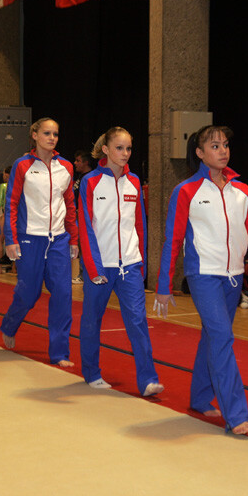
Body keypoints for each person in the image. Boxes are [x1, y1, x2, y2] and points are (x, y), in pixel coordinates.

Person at [155, 125, 248, 435]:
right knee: (222, 337)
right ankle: (235, 414)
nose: (223, 150)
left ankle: (200, 397)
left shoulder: (242, 191)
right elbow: (173, 239)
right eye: (215, 146)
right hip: (203, 275)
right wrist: (163, 285)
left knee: (213, 337)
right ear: (200, 153)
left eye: (225, 145)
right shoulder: (186, 190)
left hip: (234, 276)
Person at [78, 127, 164, 395]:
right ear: (105, 149)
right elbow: (85, 227)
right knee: (92, 320)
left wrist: (141, 262)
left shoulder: (134, 182)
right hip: (100, 266)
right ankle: (92, 373)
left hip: (130, 265)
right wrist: (93, 267)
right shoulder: (90, 182)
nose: (125, 153)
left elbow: (140, 225)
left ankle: (148, 380)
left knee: (138, 321)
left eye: (128, 148)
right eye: (119, 148)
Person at [0, 118, 78, 366]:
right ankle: (10, 324)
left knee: (63, 294)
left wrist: (73, 238)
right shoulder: (22, 165)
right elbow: (11, 203)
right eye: (47, 133)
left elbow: (69, 204)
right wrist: (11, 239)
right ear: (34, 135)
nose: (52, 138)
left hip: (58, 240)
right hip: (29, 239)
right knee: (29, 293)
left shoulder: (65, 166)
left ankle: (60, 352)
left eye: (55, 134)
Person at [71, 150, 92, 284]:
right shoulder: (80, 177)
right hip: (77, 216)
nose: (75, 163)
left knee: (85, 246)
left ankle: (85, 275)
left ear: (86, 162)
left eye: (78, 161)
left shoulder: (90, 178)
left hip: (85, 217)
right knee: (79, 246)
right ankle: (81, 273)